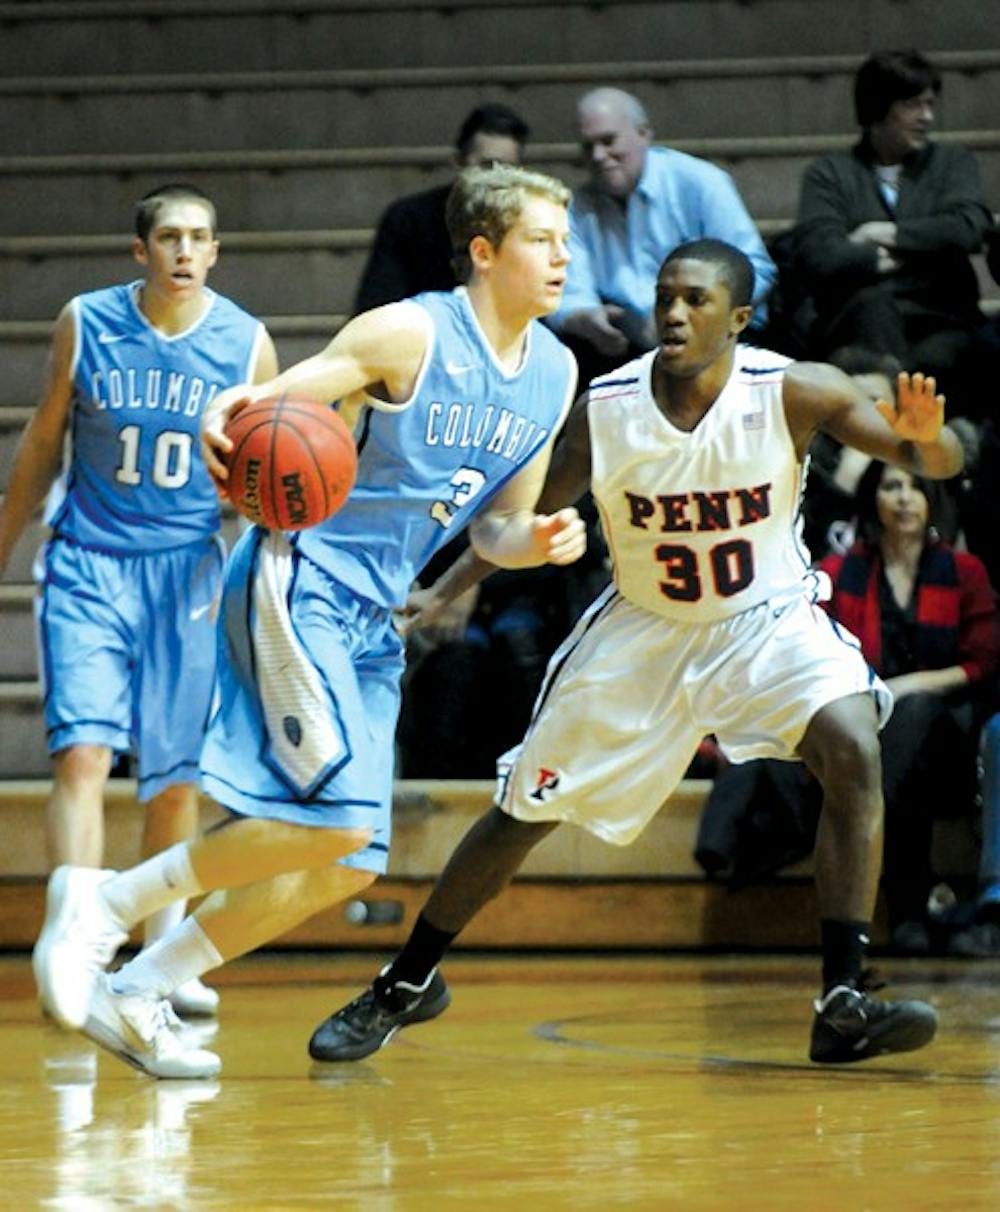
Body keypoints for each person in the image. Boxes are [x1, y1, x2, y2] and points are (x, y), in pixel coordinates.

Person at [308, 238, 963, 1068]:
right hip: (644, 634)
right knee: (522, 813)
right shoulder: (608, 406)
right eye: (665, 298)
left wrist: (931, 444)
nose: (675, 314)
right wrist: (450, 586)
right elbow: (524, 512)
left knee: (851, 743)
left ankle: (842, 998)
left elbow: (924, 455)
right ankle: (406, 982)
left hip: (767, 620)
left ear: (740, 318)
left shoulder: (794, 390)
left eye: (695, 299)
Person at [31, 164, 586, 1079]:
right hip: (304, 577)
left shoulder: (553, 373)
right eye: (542, 240)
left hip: (377, 615)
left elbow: (494, 523)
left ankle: (141, 989)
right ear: (484, 253)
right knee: (330, 813)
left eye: (567, 242)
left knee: (348, 860)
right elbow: (270, 404)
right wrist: (227, 411)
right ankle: (104, 903)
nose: (563, 256)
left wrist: (538, 541)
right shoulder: (410, 331)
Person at [0, 183, 279, 1020]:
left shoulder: (246, 344)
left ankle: (162, 957)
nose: (185, 252)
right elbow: (45, 440)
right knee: (82, 754)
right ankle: (74, 946)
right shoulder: (86, 322)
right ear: (140, 251)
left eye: (200, 238)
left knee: (173, 782)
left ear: (216, 253)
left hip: (188, 572)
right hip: (88, 563)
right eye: (169, 238)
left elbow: (261, 480)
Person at [817, 459, 999, 953]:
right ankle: (908, 916)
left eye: (915, 488)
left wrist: (904, 687)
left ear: (931, 501)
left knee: (910, 720)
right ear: (872, 499)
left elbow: (982, 662)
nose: (903, 498)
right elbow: (817, 653)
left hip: (953, 730)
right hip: (869, 720)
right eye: (892, 486)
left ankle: (905, 907)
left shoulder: (963, 571)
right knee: (896, 741)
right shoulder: (840, 572)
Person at [794, 50, 993, 419]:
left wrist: (883, 233)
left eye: (930, 104)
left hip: (940, 317)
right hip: (858, 320)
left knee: (937, 361)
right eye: (912, 105)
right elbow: (817, 255)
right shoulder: (830, 173)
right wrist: (913, 253)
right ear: (877, 108)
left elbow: (969, 226)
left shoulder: (952, 163)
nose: (927, 117)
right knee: (871, 314)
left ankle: (896, 458)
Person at [549, 87, 776, 386]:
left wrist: (699, 316)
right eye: (587, 146)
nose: (598, 156)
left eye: (608, 141)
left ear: (643, 133)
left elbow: (756, 269)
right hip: (622, 348)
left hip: (713, 330)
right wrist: (587, 320)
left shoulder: (701, 183)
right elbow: (570, 294)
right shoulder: (576, 208)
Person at [353, 102, 530, 313]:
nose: (497, 178)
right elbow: (378, 307)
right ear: (458, 162)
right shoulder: (408, 219)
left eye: (508, 169)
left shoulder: (527, 222)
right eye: (486, 165)